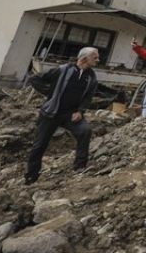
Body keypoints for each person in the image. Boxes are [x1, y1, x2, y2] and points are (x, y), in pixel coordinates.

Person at [25, 47, 99, 184]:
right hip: (51, 113)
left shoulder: (91, 77)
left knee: (85, 131)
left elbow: (88, 98)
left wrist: (80, 111)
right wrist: (51, 93)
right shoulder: (63, 70)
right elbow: (35, 79)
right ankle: (31, 176)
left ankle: (80, 167)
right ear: (84, 58)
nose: (98, 60)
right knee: (39, 144)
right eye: (95, 57)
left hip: (70, 114)